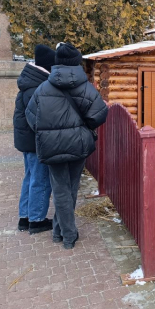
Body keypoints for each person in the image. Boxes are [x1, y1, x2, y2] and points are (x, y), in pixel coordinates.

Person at [26, 43, 108, 249]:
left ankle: (58, 231)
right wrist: (82, 128)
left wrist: (46, 131)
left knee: (60, 189)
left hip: (51, 146)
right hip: (78, 145)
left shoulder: (43, 88)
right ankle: (68, 235)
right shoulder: (85, 87)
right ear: (76, 63)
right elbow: (99, 114)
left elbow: (30, 116)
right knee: (70, 189)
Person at [14, 44, 56, 234]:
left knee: (30, 177)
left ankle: (25, 217)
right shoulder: (37, 87)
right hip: (35, 142)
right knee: (40, 180)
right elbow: (39, 119)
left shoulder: (29, 82)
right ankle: (37, 220)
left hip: (27, 141)